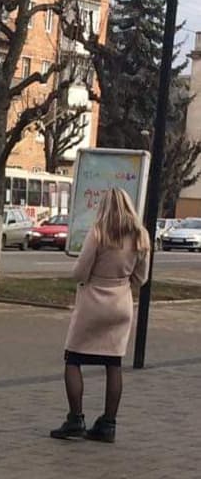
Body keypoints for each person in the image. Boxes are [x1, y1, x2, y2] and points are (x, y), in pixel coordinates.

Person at [50, 188, 150, 444]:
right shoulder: (141, 236)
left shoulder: (98, 233)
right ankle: (108, 423)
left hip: (93, 301)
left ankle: (75, 419)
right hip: (121, 302)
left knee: (73, 358)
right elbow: (141, 278)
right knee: (113, 363)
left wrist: (92, 279)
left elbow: (80, 271)